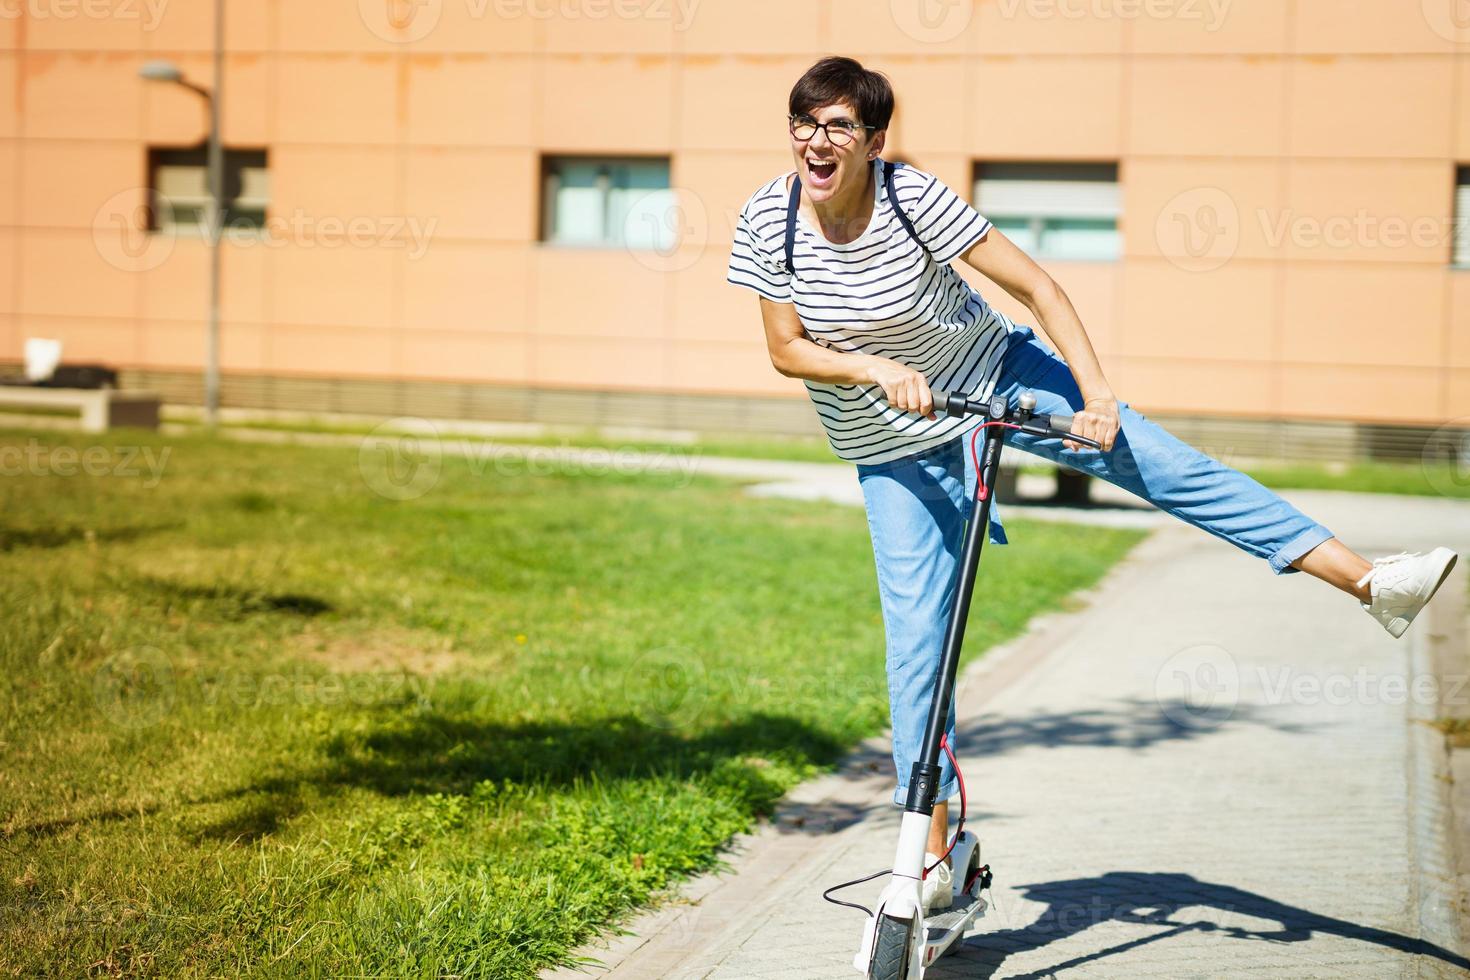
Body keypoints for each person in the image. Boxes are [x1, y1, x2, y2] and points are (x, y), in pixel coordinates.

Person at [724, 56, 1459, 911]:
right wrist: (874, 368)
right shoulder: (765, 220)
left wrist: (1100, 396)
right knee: (919, 638)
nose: (817, 142)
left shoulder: (909, 197)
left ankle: (1370, 581)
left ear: (874, 140)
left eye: (839, 126)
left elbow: (1037, 286)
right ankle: (930, 855)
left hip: (996, 374)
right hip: (892, 442)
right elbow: (786, 348)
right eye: (804, 123)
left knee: (1166, 464)